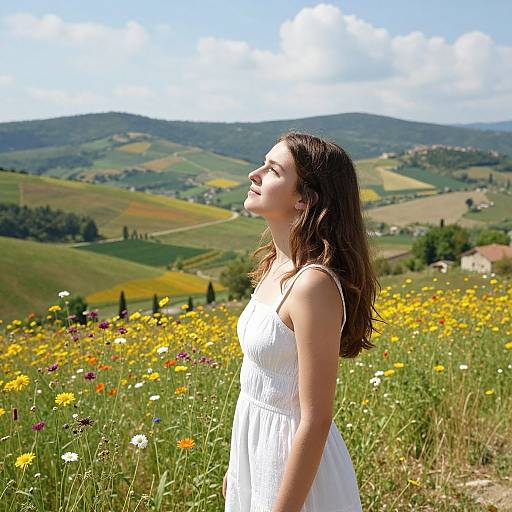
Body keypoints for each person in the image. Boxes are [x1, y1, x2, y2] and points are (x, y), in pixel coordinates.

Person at [223, 131, 382, 511]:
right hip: (256, 452)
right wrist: (237, 464)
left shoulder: (312, 284)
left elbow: (316, 419)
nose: (254, 174)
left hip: (292, 466)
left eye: (273, 170)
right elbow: (257, 386)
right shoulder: (275, 266)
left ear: (304, 198)